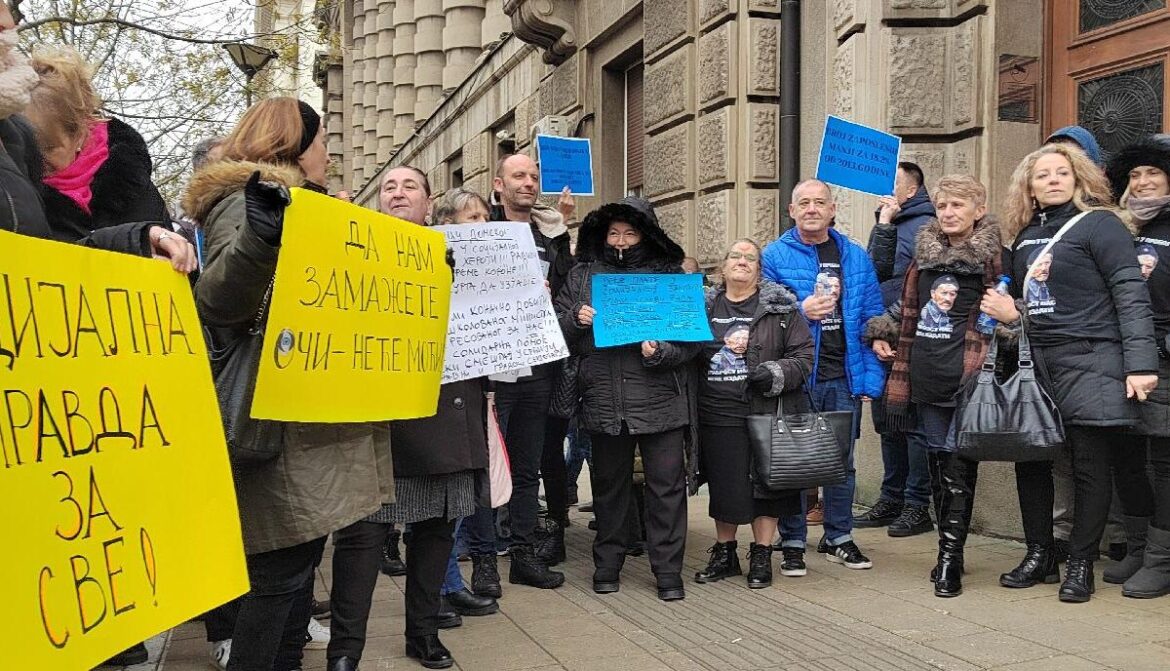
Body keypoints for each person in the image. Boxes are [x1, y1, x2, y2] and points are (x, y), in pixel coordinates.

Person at [185, 97, 394, 670]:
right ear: (295, 144)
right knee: (277, 575)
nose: (331, 152)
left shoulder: (314, 209)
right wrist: (260, 234)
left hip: (308, 417)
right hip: (276, 421)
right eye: (324, 139)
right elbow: (221, 302)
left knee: (296, 570)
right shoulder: (246, 203)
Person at [980, 143, 1157, 602]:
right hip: (1037, 361)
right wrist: (1008, 312)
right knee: (1032, 459)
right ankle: (1041, 555)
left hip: (1093, 359)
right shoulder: (1024, 238)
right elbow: (1029, 306)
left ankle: (1081, 565)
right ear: (1030, 188)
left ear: (1079, 179)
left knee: (1089, 467)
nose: (1053, 180)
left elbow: (1130, 295)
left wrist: (1139, 364)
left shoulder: (1102, 225)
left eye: (1062, 172)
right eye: (1043, 175)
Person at [865, 175, 1005, 597]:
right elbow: (907, 306)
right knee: (938, 464)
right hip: (922, 374)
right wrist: (880, 331)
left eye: (958, 205)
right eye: (943, 206)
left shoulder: (994, 256)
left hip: (966, 379)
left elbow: (1006, 311)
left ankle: (949, 557)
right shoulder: (923, 255)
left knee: (959, 467)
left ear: (978, 210)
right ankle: (950, 549)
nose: (948, 213)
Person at [375, 165, 492, 670]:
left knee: (437, 529)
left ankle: (422, 632)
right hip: (383, 414)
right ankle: (345, 646)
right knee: (365, 537)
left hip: (449, 409)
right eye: (389, 187)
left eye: (410, 187)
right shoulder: (358, 251)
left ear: (429, 204)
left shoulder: (458, 253)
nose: (399, 193)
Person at [554, 196, 700, 600]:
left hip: (661, 403)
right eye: (614, 232)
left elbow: (689, 343)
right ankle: (608, 566)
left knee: (666, 490)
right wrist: (574, 319)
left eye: (630, 232)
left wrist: (662, 353)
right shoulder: (583, 276)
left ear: (645, 235)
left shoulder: (667, 275)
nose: (621, 240)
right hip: (604, 402)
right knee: (608, 488)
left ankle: (668, 572)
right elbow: (553, 329)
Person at [760, 179, 886, 572]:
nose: (812, 208)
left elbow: (871, 316)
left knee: (841, 463)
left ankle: (839, 537)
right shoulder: (774, 255)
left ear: (833, 210)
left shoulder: (855, 256)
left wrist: (870, 375)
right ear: (792, 211)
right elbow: (761, 310)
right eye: (804, 203)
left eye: (820, 202)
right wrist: (800, 308)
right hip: (798, 375)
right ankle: (793, 538)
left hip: (841, 375)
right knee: (796, 462)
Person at [462, 154, 569, 593]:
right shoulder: (481, 229)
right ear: (499, 184)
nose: (528, 183)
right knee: (488, 469)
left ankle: (523, 554)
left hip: (538, 369)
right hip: (492, 372)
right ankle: (486, 558)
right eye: (519, 176)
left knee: (527, 469)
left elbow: (566, 291)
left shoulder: (552, 235)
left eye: (533, 177)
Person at [693, 239, 813, 588]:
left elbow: (804, 356)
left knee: (766, 486)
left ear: (759, 269)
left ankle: (761, 555)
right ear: (723, 266)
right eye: (735, 256)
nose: (742, 261)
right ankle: (725, 553)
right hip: (717, 411)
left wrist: (774, 372)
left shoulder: (780, 309)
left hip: (765, 411)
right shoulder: (703, 307)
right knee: (724, 483)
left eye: (750, 257)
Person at [1105, 133, 1170, 598]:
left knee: (1164, 462)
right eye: (1135, 174)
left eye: (1153, 173)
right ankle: (1140, 544)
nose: (1143, 181)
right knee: (1126, 457)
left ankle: (1162, 560)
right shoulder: (1119, 226)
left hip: (1164, 356)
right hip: (1121, 355)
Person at [858, 163, 936, 535]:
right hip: (886, 336)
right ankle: (891, 499)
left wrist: (895, 334)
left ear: (911, 190)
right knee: (888, 423)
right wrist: (878, 333)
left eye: (892, 183)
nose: (883, 189)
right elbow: (876, 278)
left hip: (914, 341)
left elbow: (919, 291)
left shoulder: (926, 226)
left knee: (914, 425)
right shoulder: (892, 222)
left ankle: (917, 506)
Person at [24, 47, 170, 242]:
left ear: (80, 132)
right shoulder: (17, 196)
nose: (36, 159)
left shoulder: (132, 184)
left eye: (49, 147)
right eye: (26, 147)